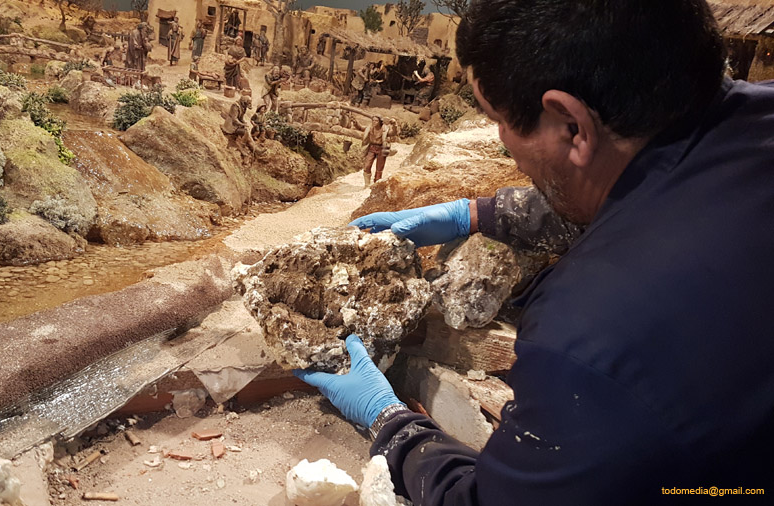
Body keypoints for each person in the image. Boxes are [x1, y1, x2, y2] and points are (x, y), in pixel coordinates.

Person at [296, 1, 774, 504]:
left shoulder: (589, 338)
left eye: (498, 119)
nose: (504, 145)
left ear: (569, 122)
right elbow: (651, 182)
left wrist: (392, 422)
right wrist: (476, 214)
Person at [360, 116, 389, 187]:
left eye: (376, 121)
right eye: (373, 120)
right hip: (372, 147)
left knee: (379, 168)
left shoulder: (385, 129)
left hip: (381, 148)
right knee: (367, 165)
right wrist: (355, 123)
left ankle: (377, 183)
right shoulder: (370, 128)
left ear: (380, 122)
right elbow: (360, 128)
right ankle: (367, 184)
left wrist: (395, 125)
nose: (374, 122)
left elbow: (393, 133)